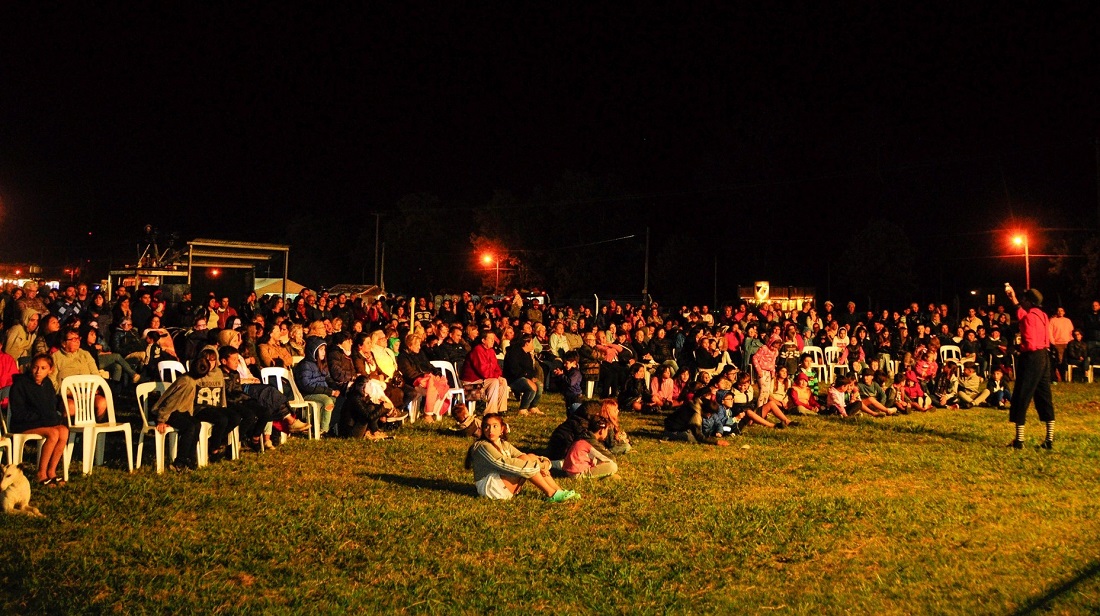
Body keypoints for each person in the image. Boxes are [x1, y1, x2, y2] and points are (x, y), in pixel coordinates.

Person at [465, 413, 579, 502]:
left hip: (503, 483)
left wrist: (542, 463)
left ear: (502, 429)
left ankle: (558, 490)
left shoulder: (503, 443)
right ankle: (551, 493)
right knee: (526, 461)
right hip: (491, 489)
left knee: (528, 456)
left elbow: (522, 456)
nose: (490, 430)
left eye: (495, 426)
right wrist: (537, 467)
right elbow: (502, 463)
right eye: (486, 427)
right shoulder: (482, 446)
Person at [151, 348, 233, 471]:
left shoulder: (191, 379)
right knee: (189, 427)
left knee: (196, 424)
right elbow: (170, 403)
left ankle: (190, 458)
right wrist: (161, 420)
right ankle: (179, 462)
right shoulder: (186, 383)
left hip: (181, 411)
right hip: (169, 412)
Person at [7, 354, 70, 486]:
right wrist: (45, 418)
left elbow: (50, 407)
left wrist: (54, 416)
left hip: (42, 422)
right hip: (23, 424)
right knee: (53, 433)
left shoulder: (46, 384)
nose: (38, 371)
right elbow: (19, 413)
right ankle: (41, 472)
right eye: (35, 367)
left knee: (63, 431)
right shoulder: (21, 384)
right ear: (31, 367)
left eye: (43, 368)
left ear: (50, 370)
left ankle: (51, 470)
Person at [1004, 286, 1055, 449]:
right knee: (1044, 396)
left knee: (1021, 395)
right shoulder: (1043, 315)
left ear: (1029, 301)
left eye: (1024, 299)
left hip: (1031, 357)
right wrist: (1013, 298)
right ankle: (1049, 439)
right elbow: (1021, 312)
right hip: (1044, 358)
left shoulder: (1029, 318)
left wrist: (1020, 351)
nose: (1022, 302)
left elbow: (1024, 324)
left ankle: (1019, 440)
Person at [460, 331, 509, 415]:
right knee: (494, 381)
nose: (493, 341)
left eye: (493, 339)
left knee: (503, 381)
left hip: (483, 380)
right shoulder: (477, 350)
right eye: (490, 339)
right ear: (483, 340)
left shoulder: (491, 351)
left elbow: (497, 368)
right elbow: (484, 372)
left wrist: (498, 376)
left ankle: (501, 409)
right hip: (472, 382)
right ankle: (491, 411)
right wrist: (496, 377)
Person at [502, 334, 544, 416]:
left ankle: (533, 406)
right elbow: (514, 370)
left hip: (524, 377)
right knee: (531, 387)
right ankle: (523, 408)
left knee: (539, 385)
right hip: (513, 378)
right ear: (526, 343)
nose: (533, 345)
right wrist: (526, 376)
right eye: (532, 342)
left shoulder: (527, 354)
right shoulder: (514, 353)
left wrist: (531, 377)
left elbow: (530, 369)